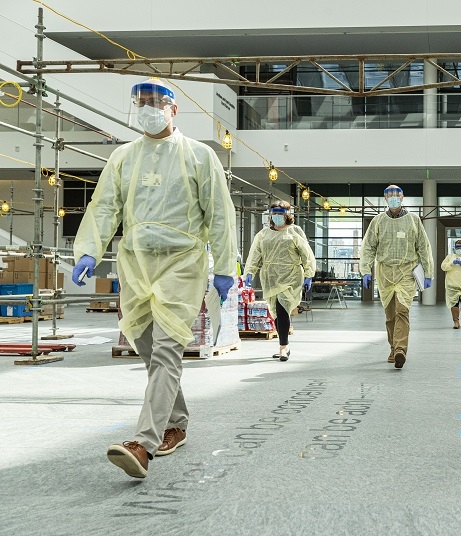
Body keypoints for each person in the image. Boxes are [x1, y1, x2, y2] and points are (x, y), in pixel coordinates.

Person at [72, 78, 238, 478]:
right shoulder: (123, 157)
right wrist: (90, 250)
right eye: (141, 102)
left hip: (182, 265)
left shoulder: (199, 156)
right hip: (135, 263)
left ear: (173, 109)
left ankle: (143, 444)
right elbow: (105, 206)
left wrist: (224, 267)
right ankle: (176, 423)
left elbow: (219, 211)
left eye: (156, 101)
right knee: (145, 345)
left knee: (166, 350)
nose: (148, 108)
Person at [360, 184, 434, 369]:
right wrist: (365, 270)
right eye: (389, 195)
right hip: (385, 273)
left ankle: (401, 349)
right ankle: (393, 348)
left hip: (406, 272)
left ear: (402, 198)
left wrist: (428, 272)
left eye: (396, 195)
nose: (393, 198)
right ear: (385, 199)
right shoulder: (378, 221)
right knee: (390, 315)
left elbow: (423, 247)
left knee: (402, 310)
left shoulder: (413, 220)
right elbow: (368, 247)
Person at [244, 200, 315, 361]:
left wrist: (309, 273)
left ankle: (283, 347)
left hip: (291, 275)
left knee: (282, 308)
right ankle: (284, 344)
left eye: (280, 213)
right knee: (275, 312)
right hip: (270, 277)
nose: (276, 216)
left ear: (287, 214)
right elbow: (255, 254)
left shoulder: (294, 231)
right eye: (274, 213)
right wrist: (250, 271)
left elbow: (306, 253)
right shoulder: (263, 235)